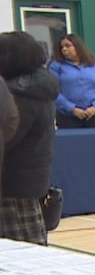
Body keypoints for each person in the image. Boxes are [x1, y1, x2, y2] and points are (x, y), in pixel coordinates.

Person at [0, 32, 58, 244]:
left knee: (22, 251)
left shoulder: (19, 95)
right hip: (28, 181)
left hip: (13, 183)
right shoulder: (38, 87)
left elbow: (7, 139)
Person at [49, 34, 95, 129]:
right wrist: (72, 109)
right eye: (62, 47)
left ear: (78, 46)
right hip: (67, 116)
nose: (64, 49)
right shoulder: (56, 66)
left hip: (93, 115)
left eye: (68, 46)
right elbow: (54, 92)